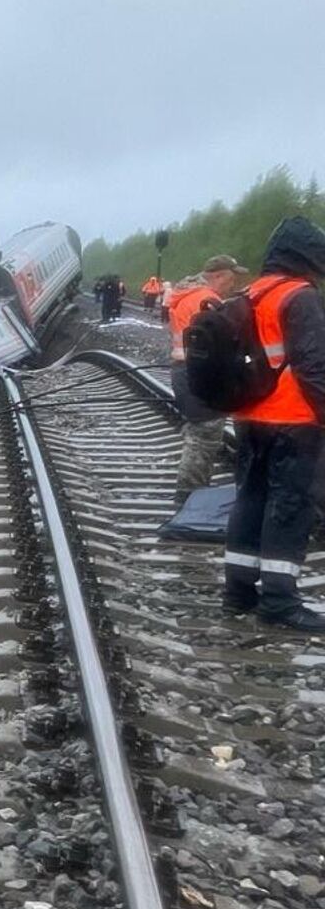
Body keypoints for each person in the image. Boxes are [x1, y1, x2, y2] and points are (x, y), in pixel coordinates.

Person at [224, 216, 325, 630]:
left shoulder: (254, 293)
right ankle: (280, 601)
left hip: (252, 416)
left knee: (250, 499)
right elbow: (314, 365)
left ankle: (239, 592)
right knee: (289, 505)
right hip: (294, 418)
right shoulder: (299, 296)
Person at [169, 255, 248, 506]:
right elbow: (223, 343)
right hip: (198, 373)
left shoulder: (186, 296)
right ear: (219, 276)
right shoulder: (206, 301)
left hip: (184, 369)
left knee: (198, 430)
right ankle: (190, 498)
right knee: (205, 434)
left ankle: (191, 492)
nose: (232, 284)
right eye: (231, 278)